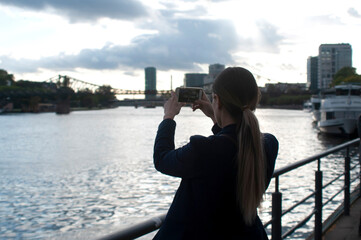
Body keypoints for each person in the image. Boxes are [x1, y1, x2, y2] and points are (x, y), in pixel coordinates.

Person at [153, 67, 279, 239]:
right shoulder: (268, 145)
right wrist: (215, 116)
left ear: (217, 100)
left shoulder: (204, 149)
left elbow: (162, 159)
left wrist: (168, 117)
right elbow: (233, 141)